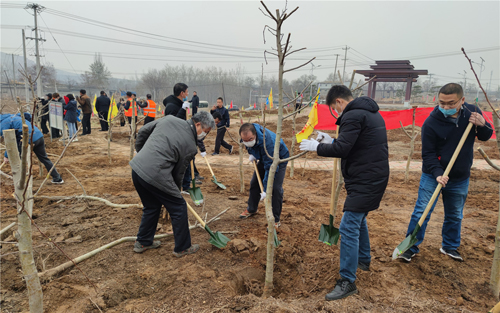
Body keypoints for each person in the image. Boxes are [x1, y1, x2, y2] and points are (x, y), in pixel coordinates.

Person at [299, 85, 389, 301]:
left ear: (338, 102)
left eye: (333, 108)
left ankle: (347, 281)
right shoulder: (369, 113)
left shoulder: (352, 115)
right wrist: (329, 140)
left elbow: (343, 149)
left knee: (349, 226)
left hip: (365, 179)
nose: (335, 112)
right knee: (359, 218)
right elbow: (354, 144)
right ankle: (363, 260)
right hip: (372, 175)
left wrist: (315, 148)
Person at [398, 83, 492, 263]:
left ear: (462, 100)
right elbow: (428, 154)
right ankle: (410, 247)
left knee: (455, 214)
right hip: (433, 175)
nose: (446, 107)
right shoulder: (431, 123)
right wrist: (438, 173)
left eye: (451, 103)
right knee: (421, 212)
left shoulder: (472, 113)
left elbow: (486, 136)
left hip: (460, 177)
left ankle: (449, 246)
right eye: (442, 103)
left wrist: (482, 124)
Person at [130, 111, 215, 256]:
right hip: (156, 173)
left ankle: (143, 242)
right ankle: (182, 247)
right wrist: (175, 193)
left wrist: (141, 151)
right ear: (198, 124)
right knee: (179, 207)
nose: (204, 136)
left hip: (137, 168)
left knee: (152, 206)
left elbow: (143, 130)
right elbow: (178, 173)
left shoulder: (169, 119)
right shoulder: (190, 145)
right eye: (205, 132)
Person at [239, 123, 289, 229]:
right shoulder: (247, 136)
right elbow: (248, 144)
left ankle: (275, 220)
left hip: (279, 158)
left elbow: (270, 167)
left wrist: (266, 189)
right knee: (255, 183)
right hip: (264, 157)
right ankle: (252, 209)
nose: (248, 142)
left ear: (255, 134)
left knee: (275, 188)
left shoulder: (268, 142)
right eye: (245, 140)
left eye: (250, 139)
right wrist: (251, 152)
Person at [1, 113, 64, 184]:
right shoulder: (13, 116)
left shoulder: (3, 125)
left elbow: (9, 140)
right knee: (44, 158)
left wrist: (6, 156)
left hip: (28, 139)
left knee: (19, 160)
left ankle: (20, 181)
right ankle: (57, 178)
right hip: (39, 136)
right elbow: (26, 115)